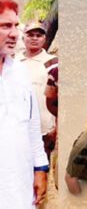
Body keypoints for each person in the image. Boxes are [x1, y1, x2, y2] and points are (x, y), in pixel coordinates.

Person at [0, 0, 49, 208]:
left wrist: (40, 168)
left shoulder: (19, 71)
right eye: (5, 26)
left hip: (20, 181)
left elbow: (32, 125)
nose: (14, 34)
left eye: (16, 26)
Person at [16, 21, 58, 160]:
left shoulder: (53, 63)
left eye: (39, 35)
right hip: (17, 127)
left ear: (44, 39)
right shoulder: (12, 61)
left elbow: (59, 99)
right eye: (30, 35)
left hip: (45, 128)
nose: (34, 38)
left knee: (41, 168)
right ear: (23, 38)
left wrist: (56, 129)